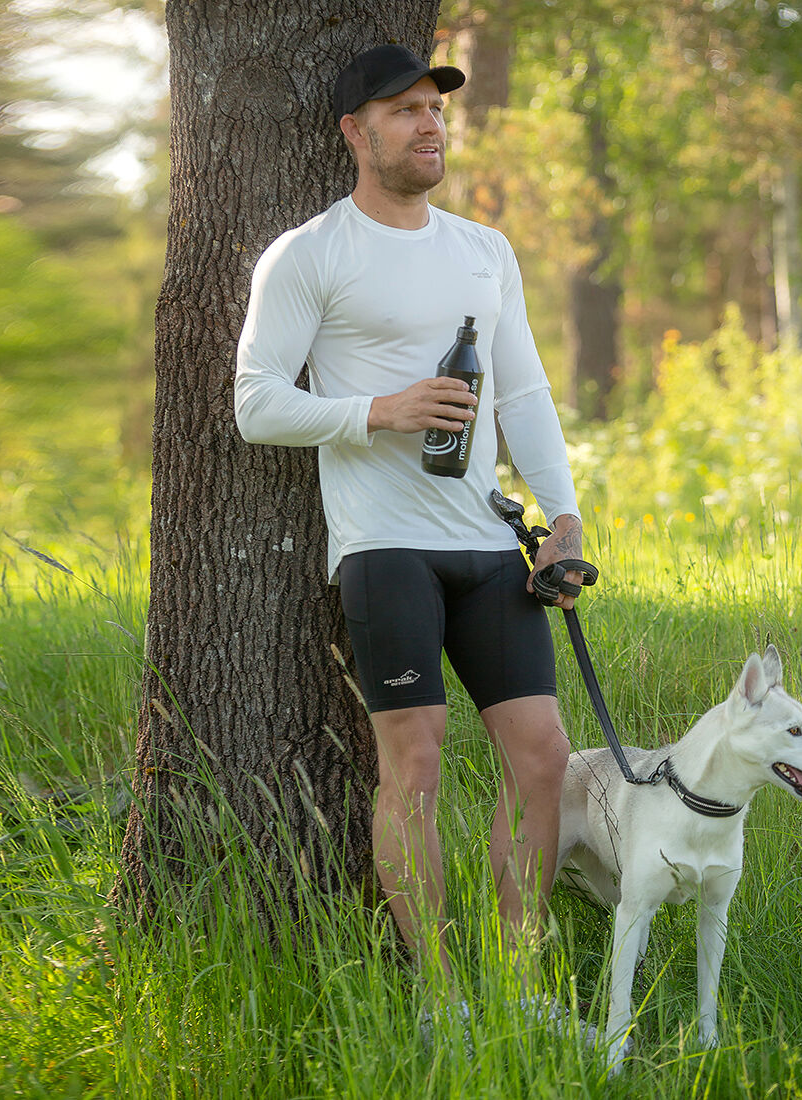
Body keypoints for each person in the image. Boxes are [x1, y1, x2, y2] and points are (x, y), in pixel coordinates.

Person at [233, 44, 585, 996]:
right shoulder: (310, 253)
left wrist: (565, 514)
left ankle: (520, 989)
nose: (428, 125)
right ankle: (441, 998)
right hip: (386, 550)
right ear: (356, 132)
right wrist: (376, 411)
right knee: (416, 761)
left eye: (435, 109)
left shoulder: (483, 249)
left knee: (543, 758)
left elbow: (527, 389)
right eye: (403, 112)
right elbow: (256, 403)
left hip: (489, 546)